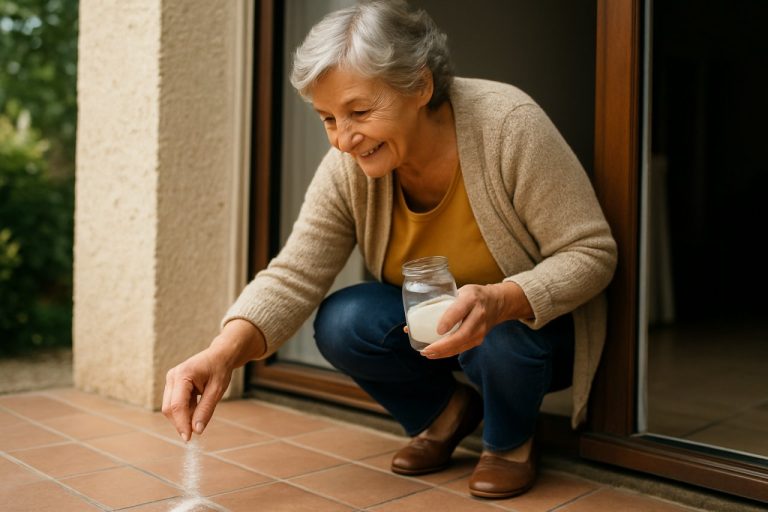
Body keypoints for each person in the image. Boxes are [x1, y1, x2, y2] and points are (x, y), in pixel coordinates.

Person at [162, 0, 617, 499]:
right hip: (439, 333)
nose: (343, 140)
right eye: (327, 118)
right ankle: (445, 415)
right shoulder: (349, 166)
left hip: (532, 335)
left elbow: (591, 252)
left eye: (358, 112)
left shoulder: (508, 125)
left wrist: (501, 299)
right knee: (342, 320)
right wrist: (221, 354)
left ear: (420, 86)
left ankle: (510, 443)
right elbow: (294, 274)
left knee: (500, 333)